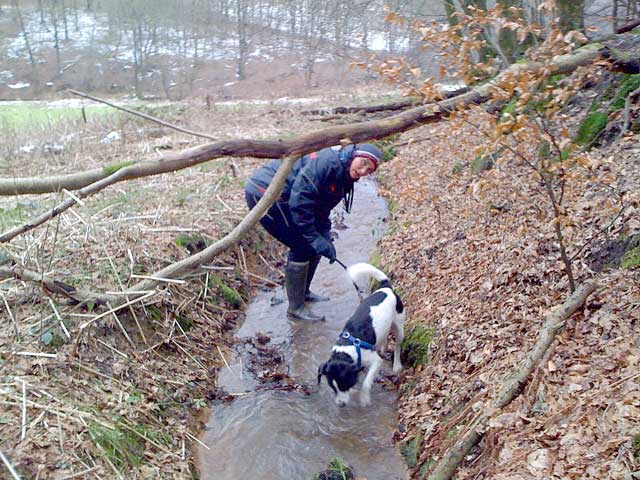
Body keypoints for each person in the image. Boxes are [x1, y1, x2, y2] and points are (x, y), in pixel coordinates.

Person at [245, 143, 382, 321]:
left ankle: (304, 293)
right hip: (265, 192)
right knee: (302, 245)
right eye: (363, 163)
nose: (363, 170)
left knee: (316, 244)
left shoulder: (344, 172)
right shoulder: (326, 164)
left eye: (369, 170)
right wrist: (313, 237)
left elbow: (321, 208)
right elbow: (300, 201)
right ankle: (295, 308)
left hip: (289, 196)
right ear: (354, 155)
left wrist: (324, 237)